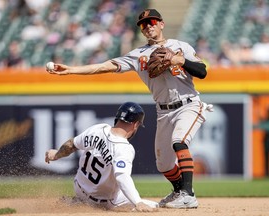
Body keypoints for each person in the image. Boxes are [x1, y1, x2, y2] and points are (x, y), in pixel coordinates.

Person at [46, 9, 213, 209]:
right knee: (164, 165)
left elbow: (202, 71)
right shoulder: (138, 55)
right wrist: (72, 70)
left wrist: (180, 60)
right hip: (163, 110)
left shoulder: (180, 46)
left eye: (152, 22)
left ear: (161, 23)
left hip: (189, 104)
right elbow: (104, 66)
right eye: (144, 24)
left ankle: (187, 194)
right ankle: (179, 190)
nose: (148, 26)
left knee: (179, 141)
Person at [45, 102, 158, 212]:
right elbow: (122, 176)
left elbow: (71, 145)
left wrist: (56, 155)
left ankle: (78, 201)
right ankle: (87, 204)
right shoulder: (124, 148)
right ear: (136, 124)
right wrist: (138, 202)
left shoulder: (98, 129)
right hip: (102, 201)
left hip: (79, 188)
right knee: (154, 205)